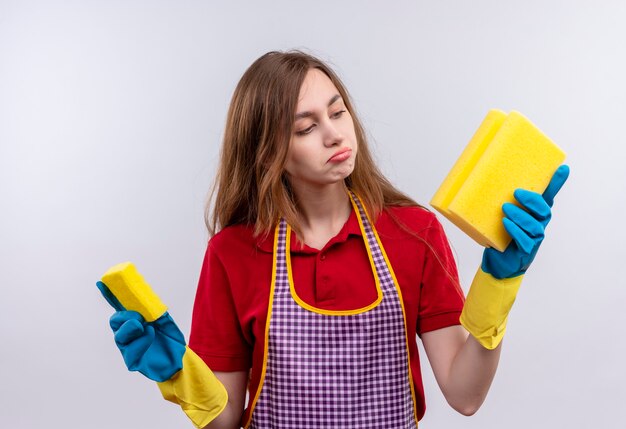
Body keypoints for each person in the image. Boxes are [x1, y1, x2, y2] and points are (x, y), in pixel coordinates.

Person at [101, 50, 569, 429]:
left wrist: (497, 283)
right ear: (270, 154)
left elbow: (465, 396)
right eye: (305, 128)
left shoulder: (414, 234)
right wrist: (180, 375)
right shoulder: (232, 254)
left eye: (337, 111)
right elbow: (225, 420)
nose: (333, 134)